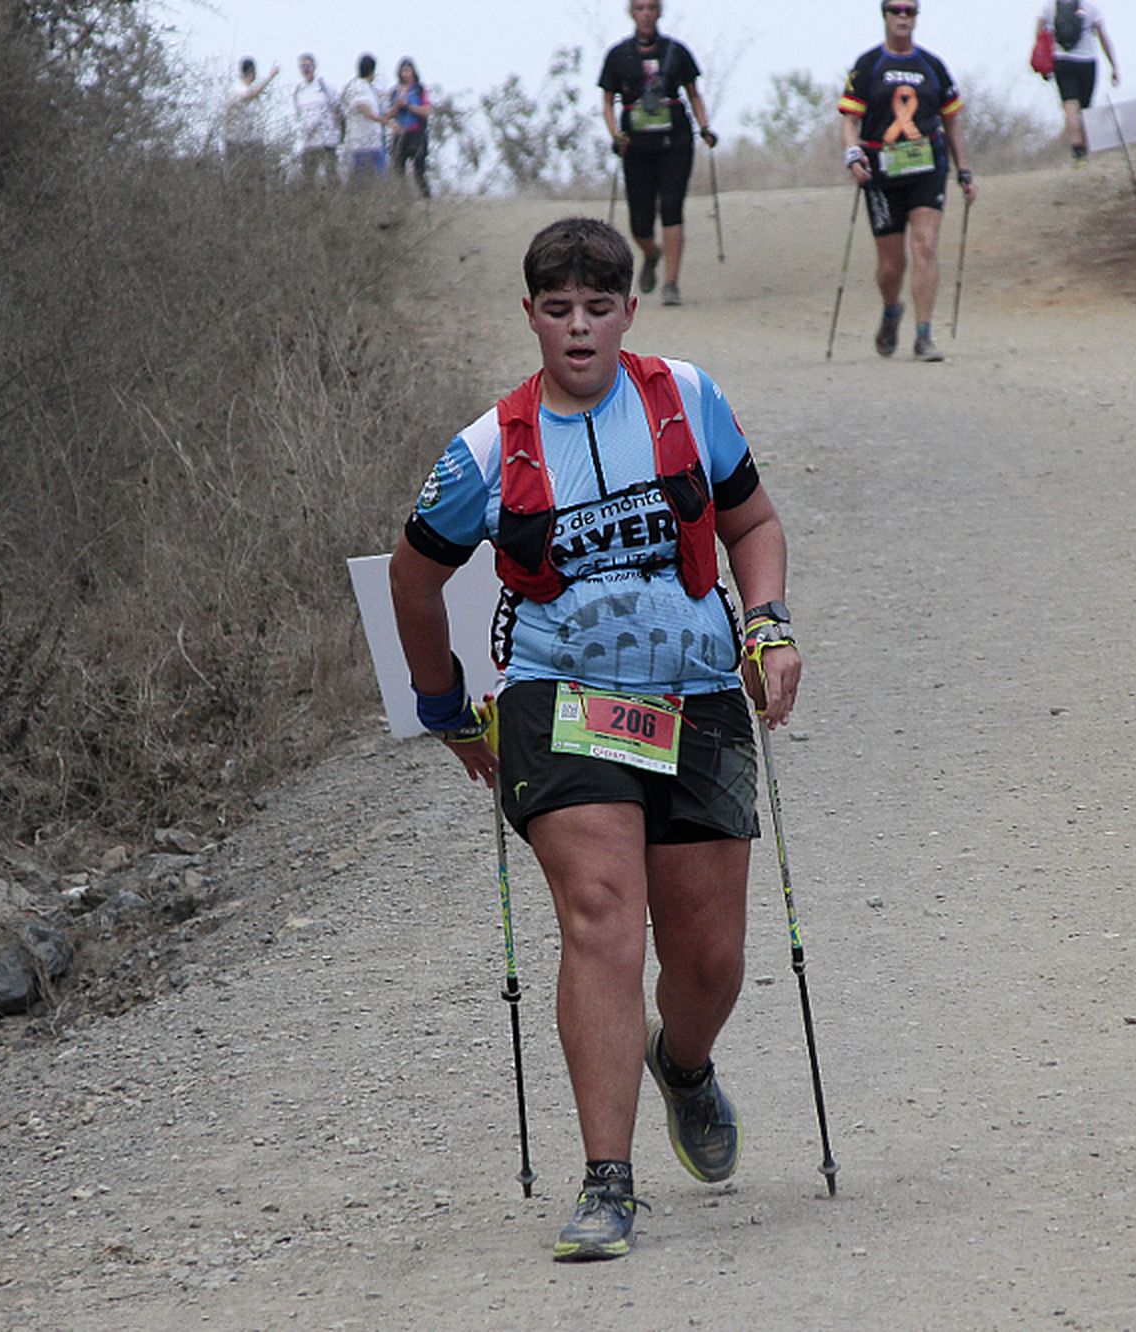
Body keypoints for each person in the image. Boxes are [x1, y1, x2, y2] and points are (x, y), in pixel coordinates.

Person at [388, 217, 801, 1262]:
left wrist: (767, 625)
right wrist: (443, 708)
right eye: (558, 310)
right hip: (556, 699)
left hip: (700, 694)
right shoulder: (488, 447)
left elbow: (752, 525)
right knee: (602, 915)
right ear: (529, 315)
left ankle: (687, 1063)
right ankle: (607, 1181)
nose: (578, 329)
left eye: (598, 307)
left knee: (709, 959)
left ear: (628, 310)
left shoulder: (686, 399)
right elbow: (412, 575)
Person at [839, 1, 978, 362]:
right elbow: (850, 120)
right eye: (895, 10)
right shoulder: (869, 65)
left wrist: (964, 170)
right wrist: (853, 155)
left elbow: (952, 123)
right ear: (884, 16)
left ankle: (924, 335)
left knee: (925, 245)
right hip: (881, 172)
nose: (903, 17)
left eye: (910, 11)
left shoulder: (932, 66)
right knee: (890, 265)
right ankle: (891, 311)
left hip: (927, 168)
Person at [599, 0, 718, 308]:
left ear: (659, 12)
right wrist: (616, 135)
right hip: (635, 147)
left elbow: (693, 93)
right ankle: (652, 253)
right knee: (640, 222)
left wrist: (705, 127)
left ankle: (671, 284)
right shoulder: (618, 55)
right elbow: (607, 101)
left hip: (675, 141)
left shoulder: (676, 52)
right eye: (640, 8)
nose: (646, 14)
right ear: (632, 13)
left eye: (651, 8)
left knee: (671, 206)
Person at [1037, 1, 1119, 165]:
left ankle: (1078, 153)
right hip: (1087, 62)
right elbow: (1103, 37)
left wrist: (1043, 64)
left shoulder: (1049, 8)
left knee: (1070, 108)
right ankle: (1085, 152)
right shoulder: (1091, 8)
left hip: (1061, 61)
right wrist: (1114, 66)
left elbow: (1039, 35)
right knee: (1085, 110)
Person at [221, 56, 278, 181]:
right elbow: (250, 95)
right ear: (252, 72)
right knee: (238, 178)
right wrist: (270, 77)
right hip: (236, 143)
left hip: (252, 142)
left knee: (256, 178)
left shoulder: (247, 90)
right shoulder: (236, 89)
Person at [292, 52, 344, 185]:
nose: (306, 69)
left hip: (327, 140)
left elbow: (338, 108)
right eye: (302, 66)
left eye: (308, 65)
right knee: (307, 179)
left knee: (331, 175)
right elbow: (298, 114)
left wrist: (339, 132)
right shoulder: (299, 90)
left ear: (314, 67)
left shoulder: (325, 86)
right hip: (309, 141)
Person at [388, 58, 432, 198]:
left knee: (419, 169)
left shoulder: (420, 90)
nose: (405, 74)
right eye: (403, 71)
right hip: (400, 134)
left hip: (416, 133)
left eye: (408, 70)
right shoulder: (394, 91)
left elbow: (427, 111)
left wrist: (408, 105)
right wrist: (397, 105)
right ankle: (403, 198)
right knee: (398, 169)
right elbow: (388, 115)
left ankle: (426, 198)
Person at [343, 54, 391, 179]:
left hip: (374, 141)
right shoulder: (357, 87)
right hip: (361, 143)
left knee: (382, 177)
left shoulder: (369, 89)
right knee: (364, 179)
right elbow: (365, 111)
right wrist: (385, 121)